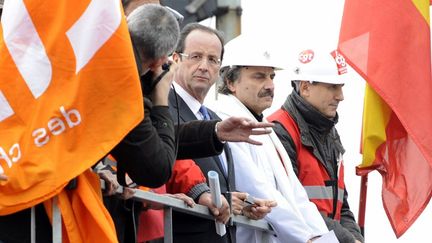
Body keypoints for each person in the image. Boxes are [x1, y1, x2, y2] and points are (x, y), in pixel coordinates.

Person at [209, 35, 334, 243]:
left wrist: (322, 238)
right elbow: (259, 189)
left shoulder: (262, 124)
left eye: (272, 77)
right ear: (231, 82)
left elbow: (297, 196)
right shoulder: (224, 120)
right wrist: (307, 239)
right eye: (259, 77)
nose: (270, 85)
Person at [166, 23, 276, 243]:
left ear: (219, 69)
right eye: (195, 56)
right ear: (176, 59)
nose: (204, 66)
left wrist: (242, 206)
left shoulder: (215, 119)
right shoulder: (163, 109)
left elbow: (219, 188)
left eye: (212, 59)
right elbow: (165, 171)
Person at [267, 48, 364, 243]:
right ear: (305, 87)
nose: (341, 96)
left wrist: (355, 238)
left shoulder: (330, 133)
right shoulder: (280, 130)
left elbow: (341, 206)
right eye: (332, 87)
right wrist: (347, 240)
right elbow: (292, 203)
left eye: (341, 87)